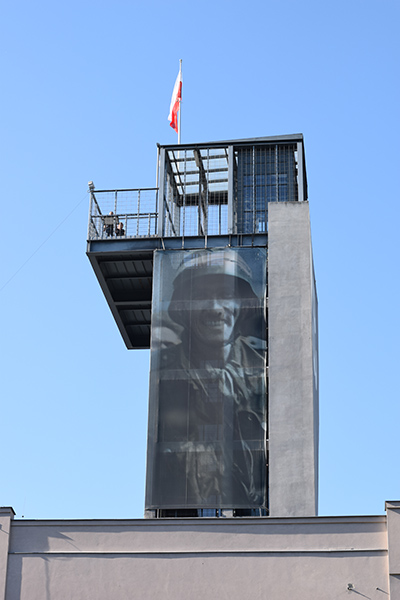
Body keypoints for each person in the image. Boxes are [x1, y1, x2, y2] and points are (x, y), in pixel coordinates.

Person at [150, 249, 267, 510]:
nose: (215, 309)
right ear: (183, 308)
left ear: (242, 306)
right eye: (201, 297)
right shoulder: (163, 373)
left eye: (225, 296)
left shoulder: (265, 371)